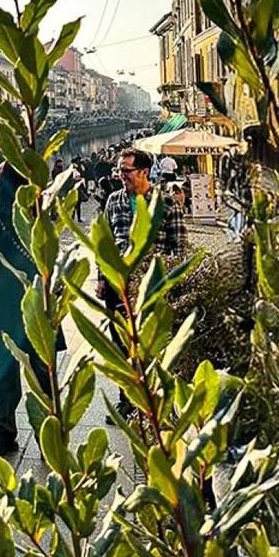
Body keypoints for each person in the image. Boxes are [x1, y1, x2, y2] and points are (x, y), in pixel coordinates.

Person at [99, 147, 186, 421]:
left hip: (151, 287)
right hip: (118, 286)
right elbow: (105, 243)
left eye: (125, 171)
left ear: (144, 172)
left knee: (154, 345)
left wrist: (168, 279)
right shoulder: (114, 200)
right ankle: (127, 402)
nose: (120, 175)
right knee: (122, 346)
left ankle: (159, 402)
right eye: (119, 170)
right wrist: (102, 278)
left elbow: (179, 248)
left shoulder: (167, 204)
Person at [0, 163, 53, 454]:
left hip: (1, 305)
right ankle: (49, 440)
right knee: (43, 375)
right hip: (35, 303)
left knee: (4, 374)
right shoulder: (37, 218)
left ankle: (3, 436)